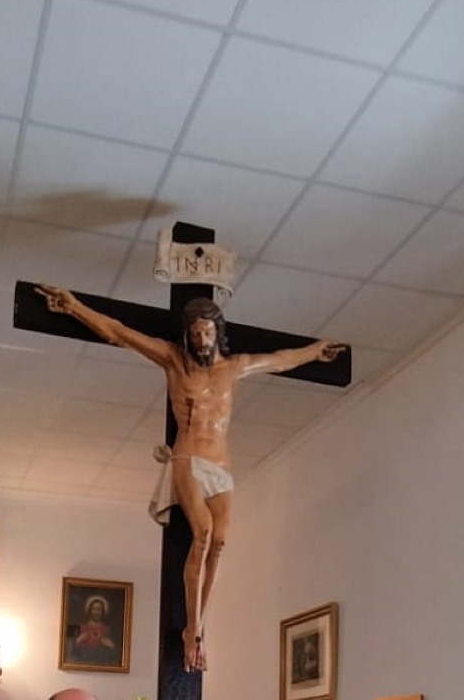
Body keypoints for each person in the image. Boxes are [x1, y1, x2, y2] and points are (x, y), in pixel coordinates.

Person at [35, 284, 345, 671]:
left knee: (221, 543)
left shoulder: (234, 367)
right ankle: (191, 629)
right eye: (196, 332)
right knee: (201, 534)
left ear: (218, 333)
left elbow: (281, 359)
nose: (201, 338)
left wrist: (315, 351)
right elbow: (118, 331)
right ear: (187, 334)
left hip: (222, 468)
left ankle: (200, 625)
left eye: (208, 332)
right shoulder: (172, 361)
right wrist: (75, 307)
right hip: (188, 459)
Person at [68, 594, 119, 666]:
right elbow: (67, 655)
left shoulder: (109, 630)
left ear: (103, 611)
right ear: (90, 609)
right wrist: (77, 641)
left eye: (100, 609)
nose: (97, 612)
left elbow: (118, 659)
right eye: (95, 609)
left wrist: (112, 646)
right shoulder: (76, 627)